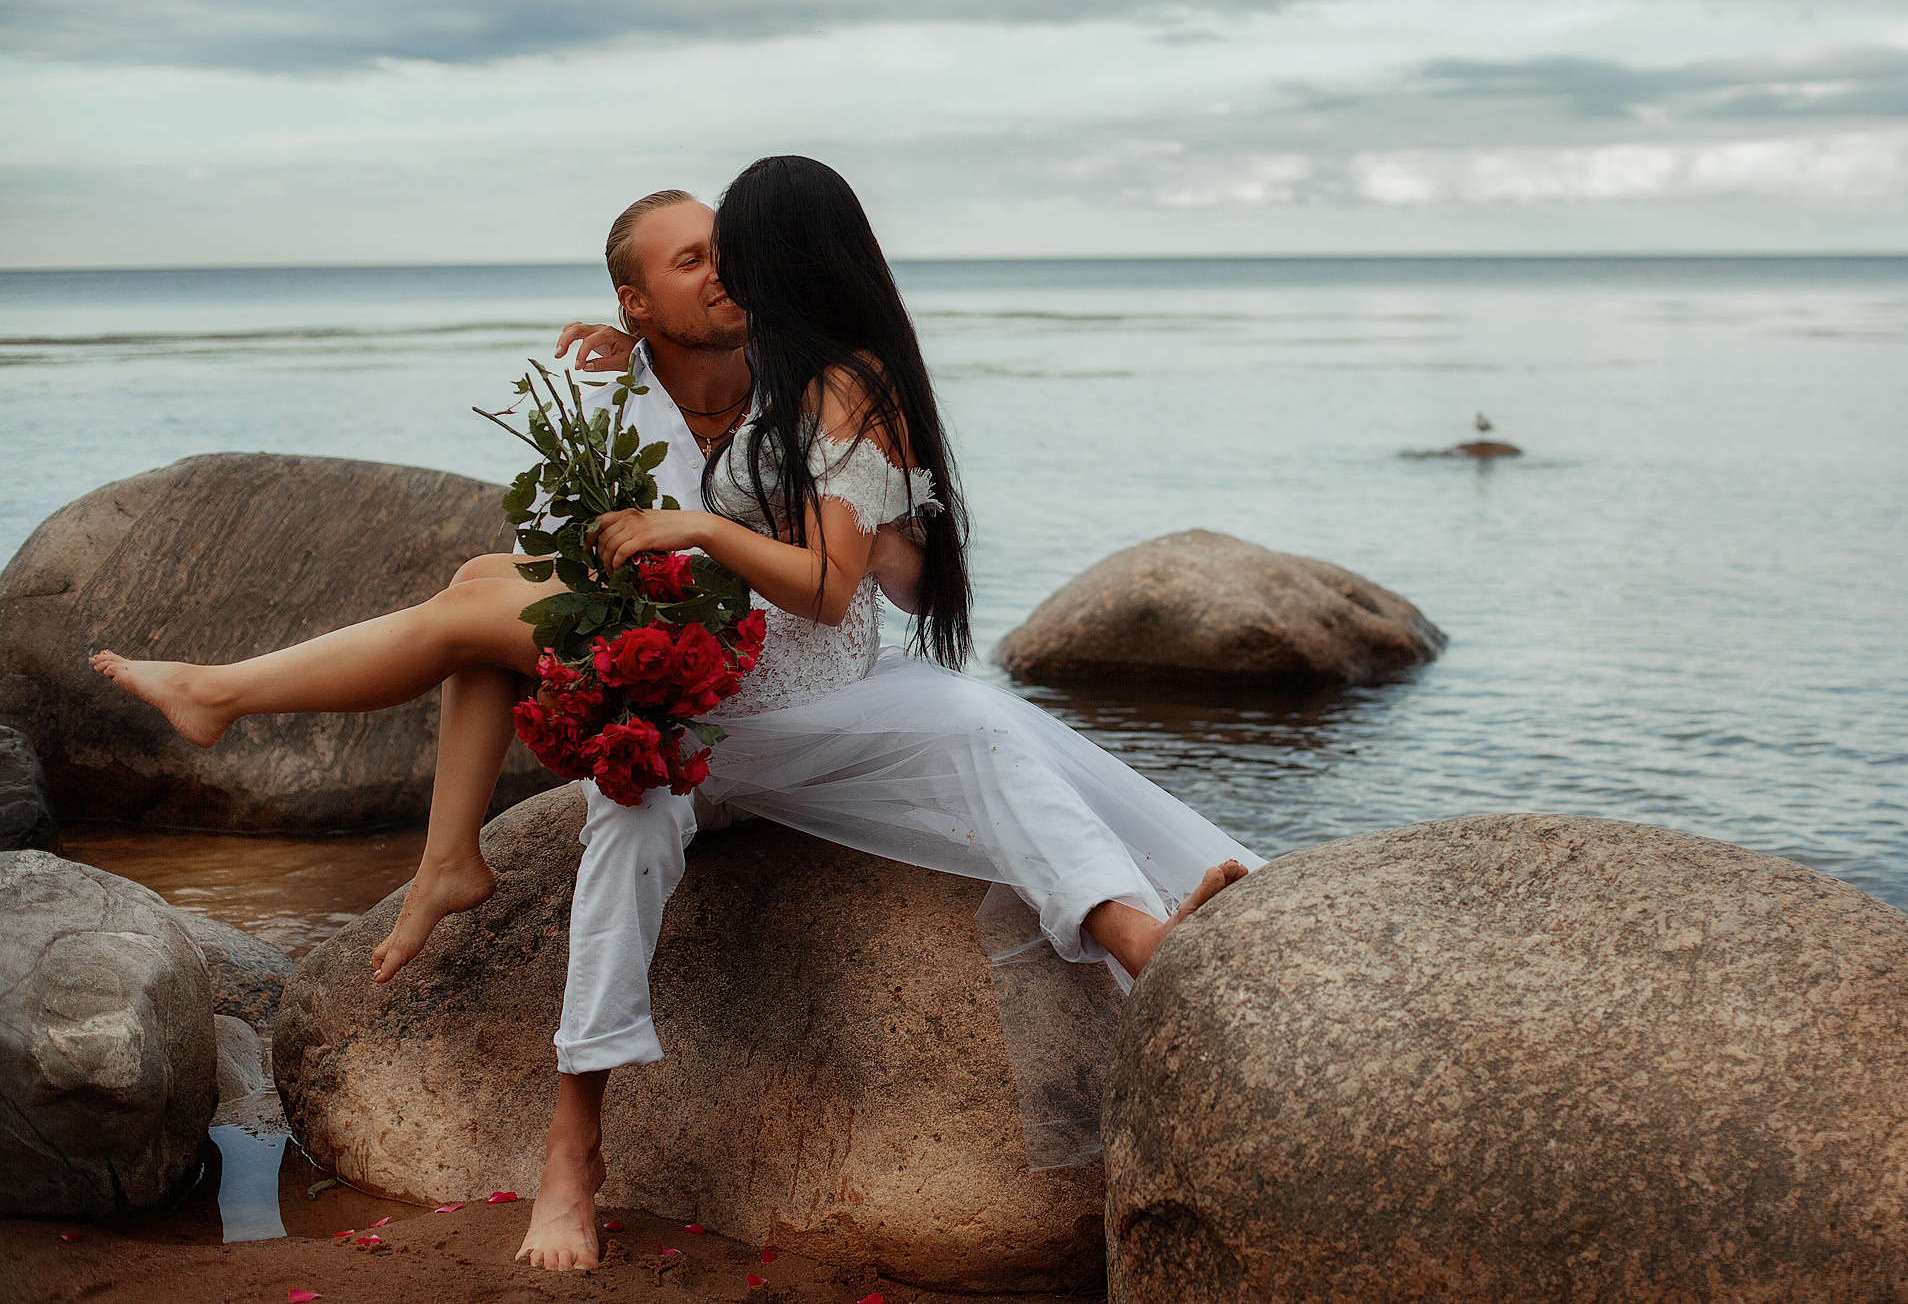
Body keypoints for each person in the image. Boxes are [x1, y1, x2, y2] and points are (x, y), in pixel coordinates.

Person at [90, 157, 1260, 1273]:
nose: (723, 273)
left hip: (838, 705)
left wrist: (853, 515)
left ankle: (1133, 937)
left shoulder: (814, 382)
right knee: (609, 793)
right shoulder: (609, 397)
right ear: (634, 300)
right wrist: (622, 387)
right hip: (694, 716)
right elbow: (563, 594)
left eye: (729, 252)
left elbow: (868, 579)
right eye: (693, 259)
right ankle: (570, 1145)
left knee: (984, 726)